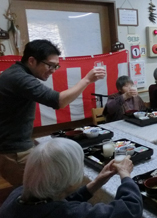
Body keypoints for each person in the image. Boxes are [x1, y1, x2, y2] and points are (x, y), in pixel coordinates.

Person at [0, 138, 143, 218]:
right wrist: (125, 175)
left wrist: (97, 182)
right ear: (68, 180)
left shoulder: (17, 196)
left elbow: (56, 204)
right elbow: (131, 208)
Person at [0, 39, 106, 187]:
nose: (53, 70)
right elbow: (58, 101)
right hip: (13, 151)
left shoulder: (15, 73)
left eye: (56, 66)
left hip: (15, 146)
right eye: (50, 65)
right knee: (36, 193)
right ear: (32, 60)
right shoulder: (19, 78)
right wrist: (87, 79)